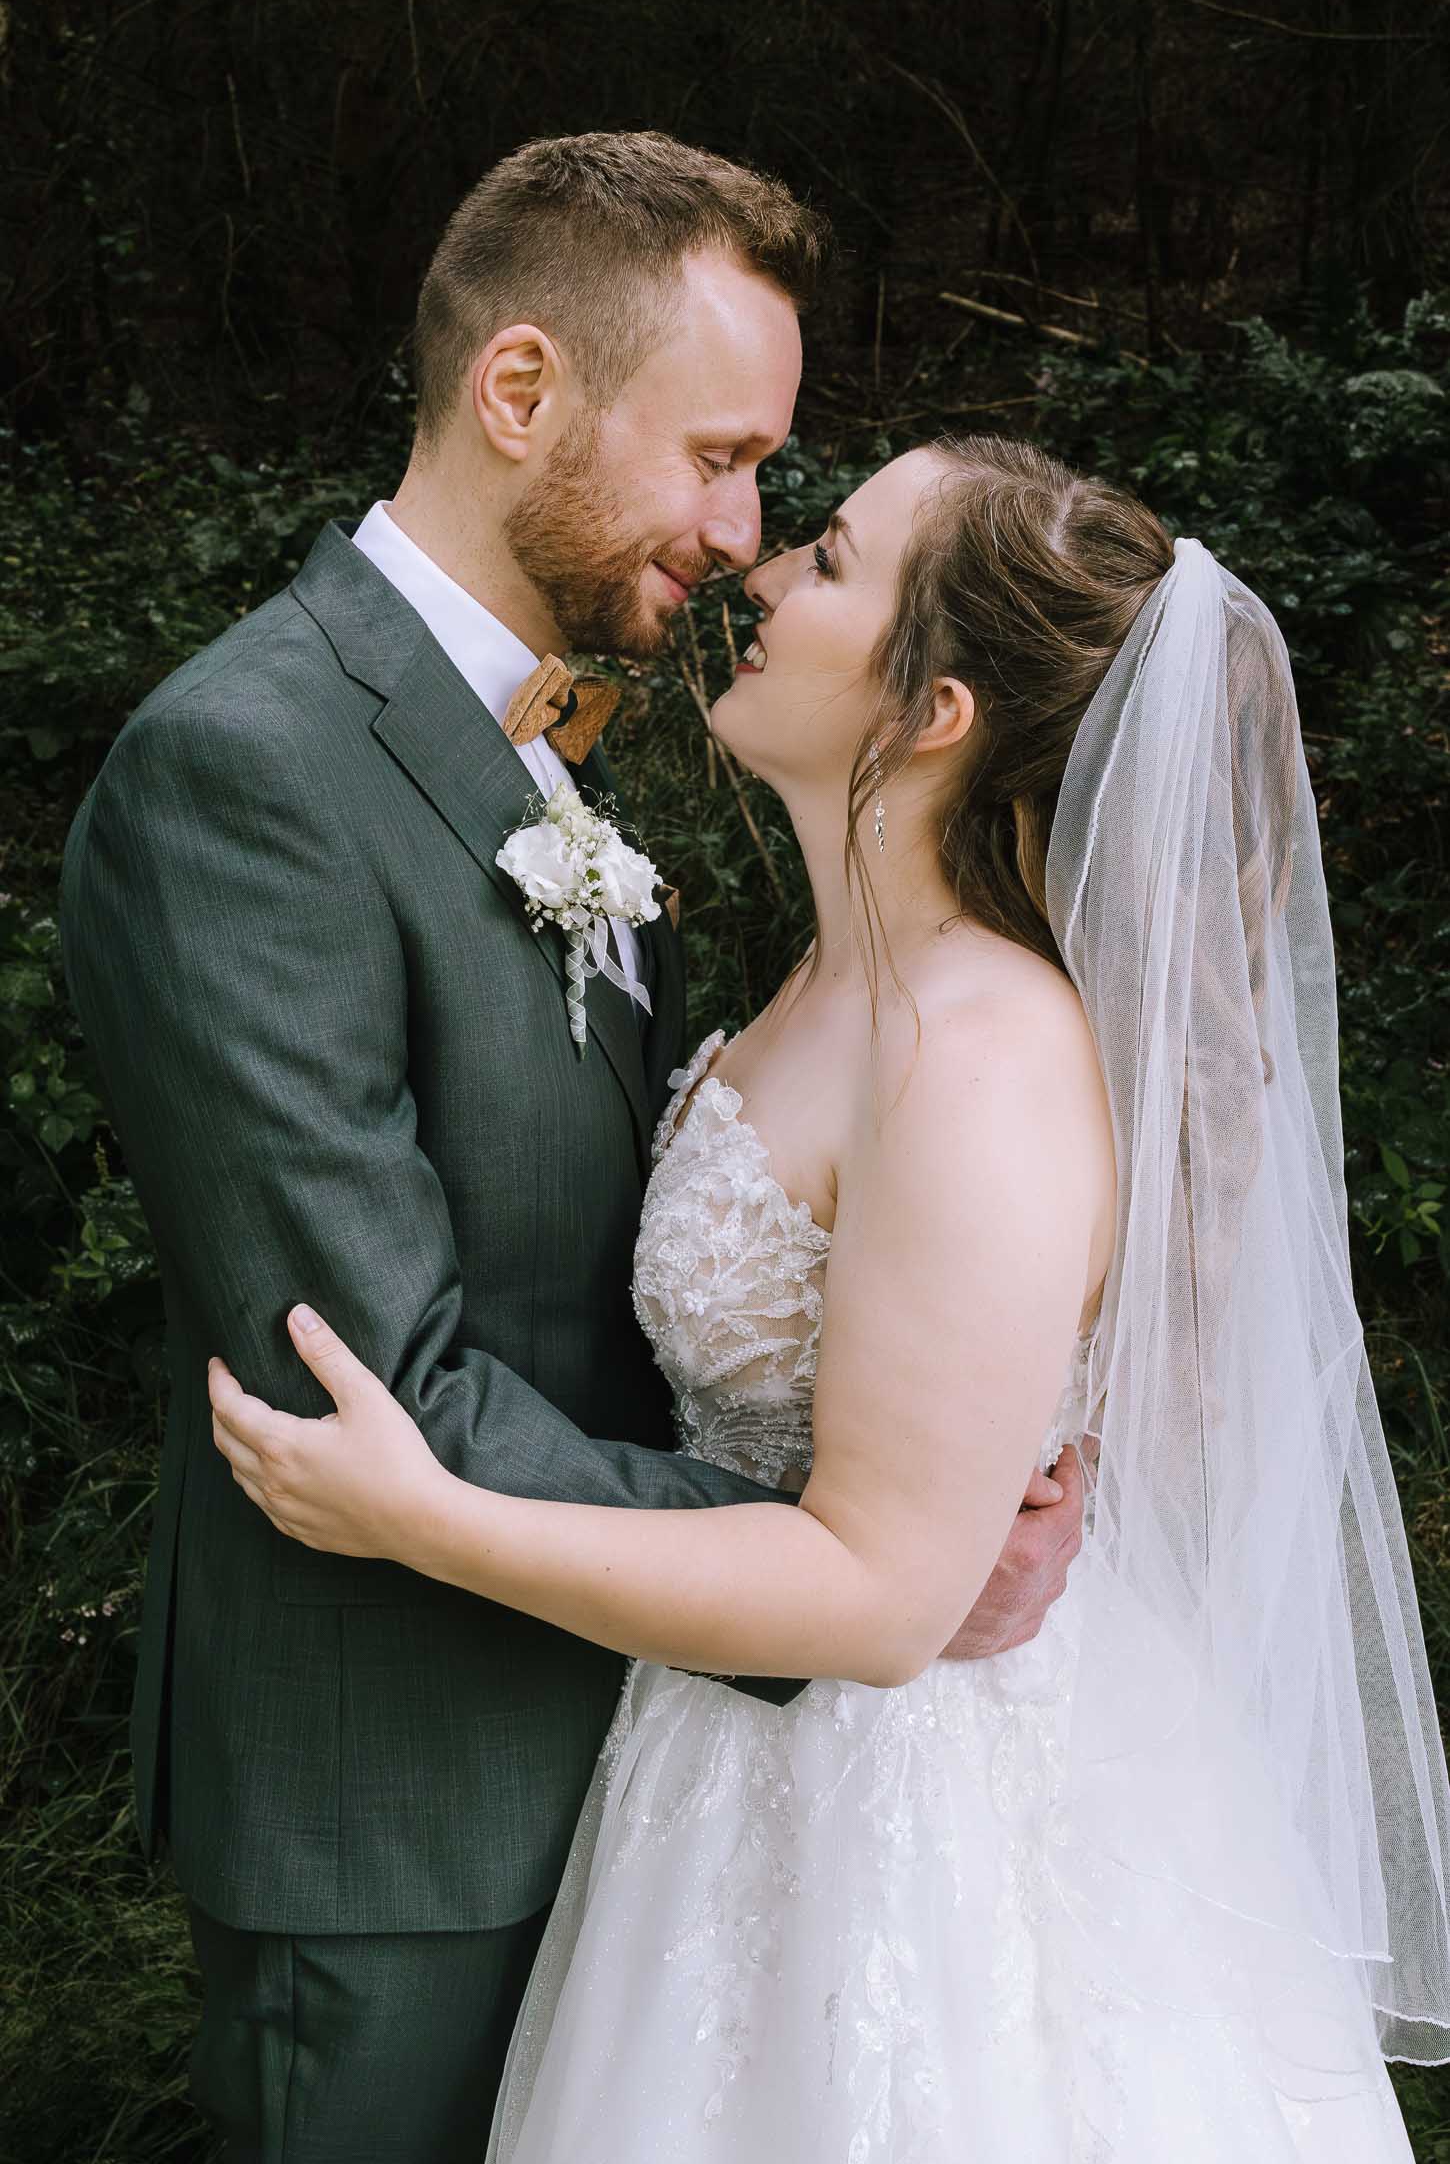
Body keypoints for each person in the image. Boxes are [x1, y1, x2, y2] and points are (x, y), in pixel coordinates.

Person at [214, 433, 1450, 2159]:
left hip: (913, 1814)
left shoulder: (980, 1055)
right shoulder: (831, 981)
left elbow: (878, 1602)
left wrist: (424, 1519)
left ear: (932, 710)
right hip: (728, 1767)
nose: (765, 572)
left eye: (832, 561)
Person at [58, 135, 1081, 2162]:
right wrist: (858, 1557)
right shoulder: (245, 769)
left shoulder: (539, 746)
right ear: (519, 389)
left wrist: (929, 1473)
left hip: (639, 1757)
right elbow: (376, 1382)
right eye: (717, 456)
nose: (741, 531)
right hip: (401, 1806)